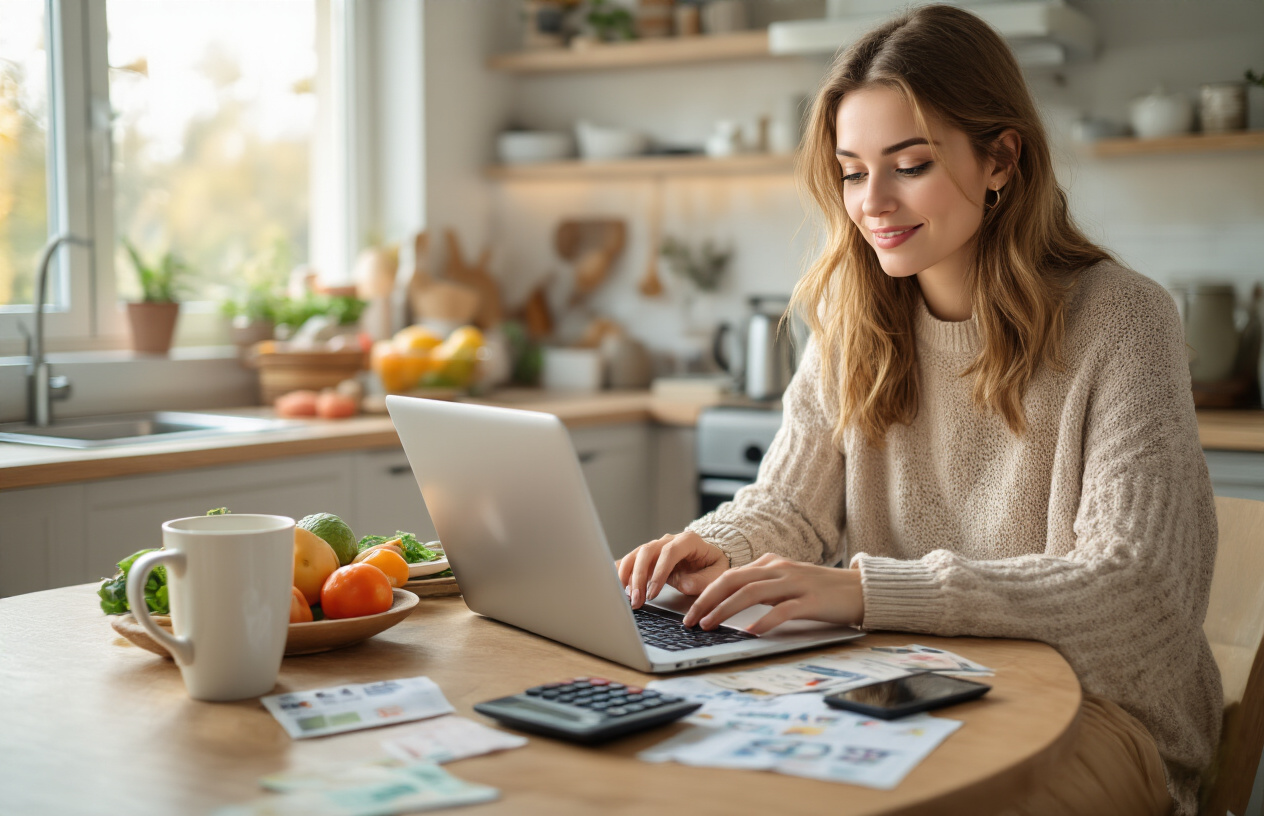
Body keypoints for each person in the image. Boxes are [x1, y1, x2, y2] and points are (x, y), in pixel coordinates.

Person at [616, 5, 1221, 815]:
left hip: (1100, 710)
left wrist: (869, 594)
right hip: (899, 686)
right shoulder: (851, 316)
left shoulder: (1122, 319)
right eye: (853, 170)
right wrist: (714, 549)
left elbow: (1136, 595)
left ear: (1001, 158)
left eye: (909, 165)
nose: (874, 203)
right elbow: (792, 505)